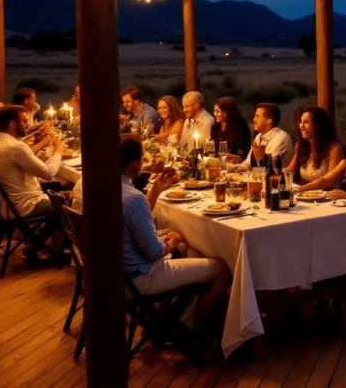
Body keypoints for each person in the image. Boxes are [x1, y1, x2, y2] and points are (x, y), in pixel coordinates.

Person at [120, 135, 230, 340]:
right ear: (135, 163)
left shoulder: (109, 189)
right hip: (138, 277)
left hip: (115, 273)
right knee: (222, 268)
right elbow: (154, 252)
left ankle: (170, 316)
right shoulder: (134, 198)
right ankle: (188, 329)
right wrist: (169, 243)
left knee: (186, 243)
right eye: (142, 159)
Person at [0, 105, 68, 257]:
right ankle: (54, 249)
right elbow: (48, 173)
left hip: (6, 204)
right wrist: (59, 152)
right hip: (25, 205)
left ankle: (35, 244)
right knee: (70, 200)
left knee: (59, 188)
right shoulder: (15, 147)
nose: (28, 125)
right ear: (13, 124)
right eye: (25, 121)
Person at [226, 103, 292, 171]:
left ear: (269, 120)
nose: (254, 120)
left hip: (274, 180)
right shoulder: (258, 137)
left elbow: (268, 167)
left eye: (257, 116)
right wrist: (227, 167)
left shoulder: (280, 138)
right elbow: (248, 164)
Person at [286, 106, 342, 185]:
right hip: (304, 194)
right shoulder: (301, 146)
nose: (301, 126)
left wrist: (303, 189)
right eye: (301, 122)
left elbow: (329, 182)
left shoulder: (334, 148)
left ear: (318, 125)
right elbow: (288, 172)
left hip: (324, 195)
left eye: (306, 122)